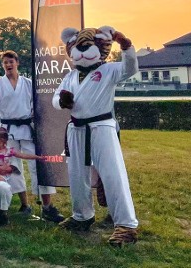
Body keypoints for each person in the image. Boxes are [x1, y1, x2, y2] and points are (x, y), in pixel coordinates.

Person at [54, 26, 139, 246]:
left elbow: (130, 69)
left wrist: (126, 45)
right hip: (76, 128)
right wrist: (61, 101)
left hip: (101, 126)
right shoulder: (71, 75)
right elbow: (56, 98)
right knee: (77, 175)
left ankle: (126, 225)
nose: (81, 51)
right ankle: (82, 215)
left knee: (113, 174)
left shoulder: (109, 70)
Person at [0, 50, 63, 222]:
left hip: (26, 128)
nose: (8, 65)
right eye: (5, 62)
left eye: (11, 61)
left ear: (17, 63)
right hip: (6, 130)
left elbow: (39, 104)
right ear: (2, 65)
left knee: (39, 164)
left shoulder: (28, 83)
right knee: (12, 166)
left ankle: (47, 206)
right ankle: (24, 204)